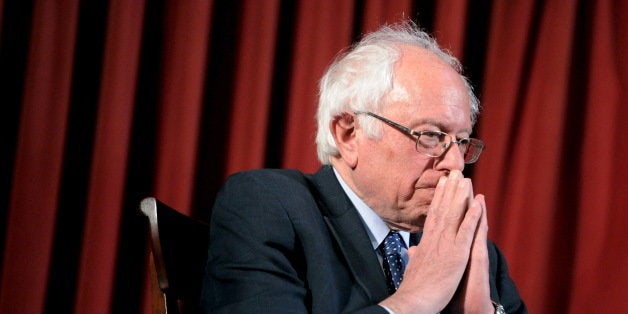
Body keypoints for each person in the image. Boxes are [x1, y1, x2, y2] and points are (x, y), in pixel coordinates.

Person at [201, 21, 526, 313]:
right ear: (349, 134)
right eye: (430, 136)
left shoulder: (473, 252)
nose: (455, 164)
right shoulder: (268, 207)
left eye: (462, 141)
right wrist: (418, 298)